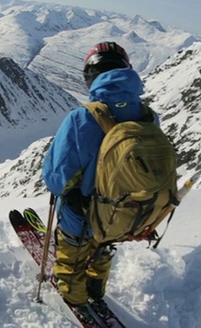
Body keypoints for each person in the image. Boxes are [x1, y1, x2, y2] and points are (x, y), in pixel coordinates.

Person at [42, 41, 148, 321]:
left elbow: (56, 177)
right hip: (126, 213)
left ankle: (73, 295)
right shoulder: (148, 117)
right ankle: (96, 288)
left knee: (72, 255)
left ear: (90, 76)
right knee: (103, 247)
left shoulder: (82, 118)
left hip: (84, 212)